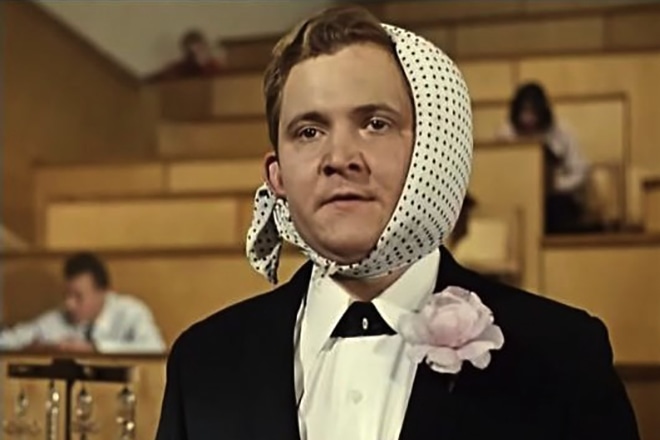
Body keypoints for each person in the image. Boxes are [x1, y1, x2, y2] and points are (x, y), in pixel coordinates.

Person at [156, 6, 639, 440]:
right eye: (309, 131)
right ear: (277, 175)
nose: (339, 157)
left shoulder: (561, 358)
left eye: (375, 123)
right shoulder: (202, 365)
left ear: (431, 150)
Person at [0, 252, 166, 354]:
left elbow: (155, 349)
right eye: (67, 295)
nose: (69, 304)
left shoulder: (131, 313)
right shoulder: (58, 319)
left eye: (78, 296)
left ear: (103, 292)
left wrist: (96, 349)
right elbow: (9, 340)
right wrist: (33, 350)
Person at [498, 82, 590, 234]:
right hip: (517, 198)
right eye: (524, 112)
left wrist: (556, 186)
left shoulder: (562, 132)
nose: (528, 119)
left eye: (532, 112)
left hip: (555, 199)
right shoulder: (506, 134)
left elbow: (580, 171)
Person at [146, 29, 225, 83]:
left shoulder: (213, 66)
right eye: (193, 48)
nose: (198, 51)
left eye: (200, 47)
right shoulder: (179, 68)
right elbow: (159, 76)